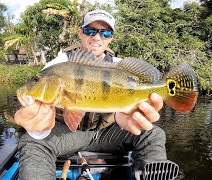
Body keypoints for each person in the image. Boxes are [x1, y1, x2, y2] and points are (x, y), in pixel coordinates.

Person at [14, 9, 167, 179]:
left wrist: (124, 114)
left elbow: (126, 110)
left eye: (105, 32)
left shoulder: (119, 67)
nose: (97, 37)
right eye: (90, 30)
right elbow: (30, 101)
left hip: (106, 134)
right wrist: (32, 120)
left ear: (111, 38)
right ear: (80, 33)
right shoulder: (59, 64)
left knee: (153, 133)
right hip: (68, 134)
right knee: (31, 140)